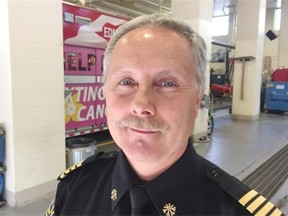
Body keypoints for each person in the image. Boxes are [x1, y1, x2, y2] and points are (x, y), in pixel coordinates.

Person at [46, 14, 284, 216]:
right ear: (105, 94)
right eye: (126, 81)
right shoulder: (73, 188)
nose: (141, 105)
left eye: (167, 83)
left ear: (197, 101)